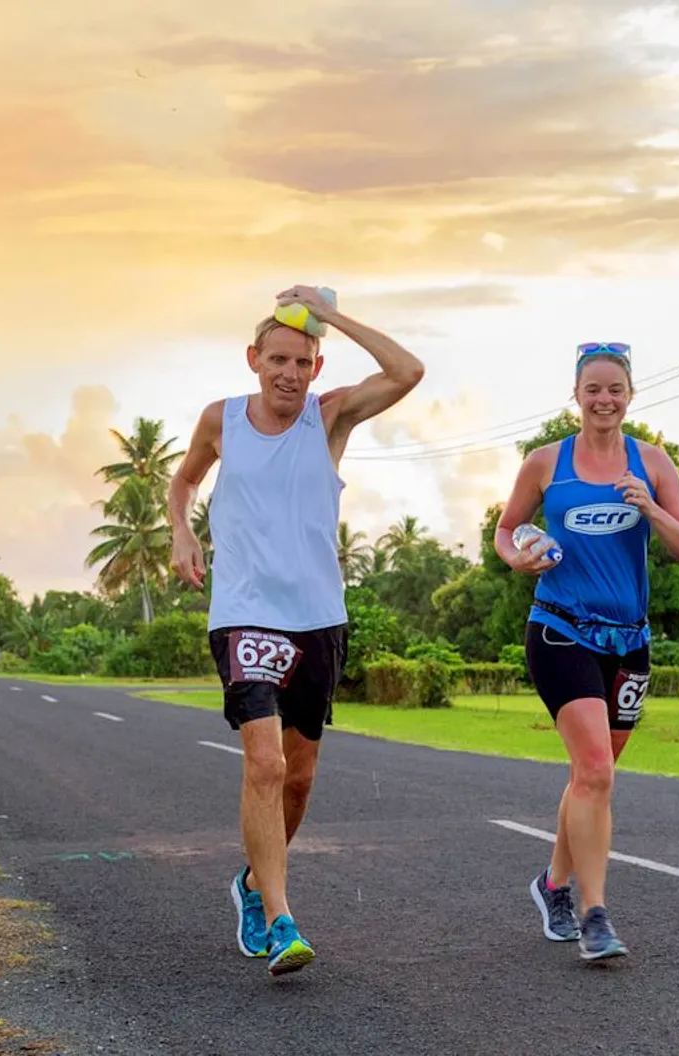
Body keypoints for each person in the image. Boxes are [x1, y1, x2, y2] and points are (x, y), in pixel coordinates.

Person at [168, 285, 425, 977]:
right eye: (277, 358)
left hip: (318, 618)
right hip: (246, 611)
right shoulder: (220, 420)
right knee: (265, 762)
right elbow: (183, 481)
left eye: (302, 361)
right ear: (253, 359)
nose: (288, 372)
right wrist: (181, 531)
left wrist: (329, 316)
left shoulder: (331, 417)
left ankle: (252, 881)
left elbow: (407, 372)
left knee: (300, 777)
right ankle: (279, 919)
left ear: (316, 367)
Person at [492, 341, 679, 962]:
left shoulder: (654, 463)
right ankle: (594, 914)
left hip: (628, 641)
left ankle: (551, 884)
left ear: (630, 395)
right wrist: (517, 556)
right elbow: (506, 530)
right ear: (577, 396)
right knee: (597, 773)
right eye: (593, 389)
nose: (604, 399)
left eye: (615, 389)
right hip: (559, 628)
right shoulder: (544, 463)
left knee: (592, 775)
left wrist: (650, 507)